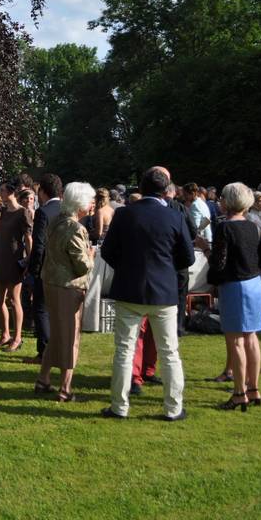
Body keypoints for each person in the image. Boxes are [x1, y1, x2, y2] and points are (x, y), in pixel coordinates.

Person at [100, 166, 193, 421]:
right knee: (169, 352)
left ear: (140, 189)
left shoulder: (124, 215)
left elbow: (107, 251)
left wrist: (127, 267)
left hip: (129, 289)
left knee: (124, 350)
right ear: (166, 191)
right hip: (163, 292)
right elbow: (187, 256)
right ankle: (173, 408)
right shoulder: (175, 217)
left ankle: (120, 406)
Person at [208, 183, 261, 412]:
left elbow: (219, 264)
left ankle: (239, 393)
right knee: (251, 338)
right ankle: (253, 388)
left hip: (234, 285)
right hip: (253, 283)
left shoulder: (224, 228)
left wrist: (206, 250)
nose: (220, 201)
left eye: (222, 197)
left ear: (228, 201)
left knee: (236, 340)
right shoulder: (254, 225)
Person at [33, 181, 95, 401]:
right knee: (70, 337)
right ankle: (65, 389)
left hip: (51, 282)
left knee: (59, 334)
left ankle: (43, 379)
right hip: (69, 287)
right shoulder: (76, 228)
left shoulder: (56, 221)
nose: (92, 204)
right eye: (90, 200)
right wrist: (91, 256)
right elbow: (82, 265)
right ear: (81, 204)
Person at [24, 173, 62, 365]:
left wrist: (33, 271)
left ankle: (44, 352)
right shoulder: (66, 210)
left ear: (43, 192)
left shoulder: (44, 212)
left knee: (41, 310)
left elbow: (38, 245)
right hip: (63, 269)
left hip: (45, 268)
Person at [0, 181, 33, 352]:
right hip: (2, 259)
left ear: (11, 193)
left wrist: (29, 260)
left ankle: (17, 337)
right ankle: (5, 334)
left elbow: (29, 238)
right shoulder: (2, 211)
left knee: (14, 299)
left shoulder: (22, 213)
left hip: (15, 260)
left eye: (1, 190)